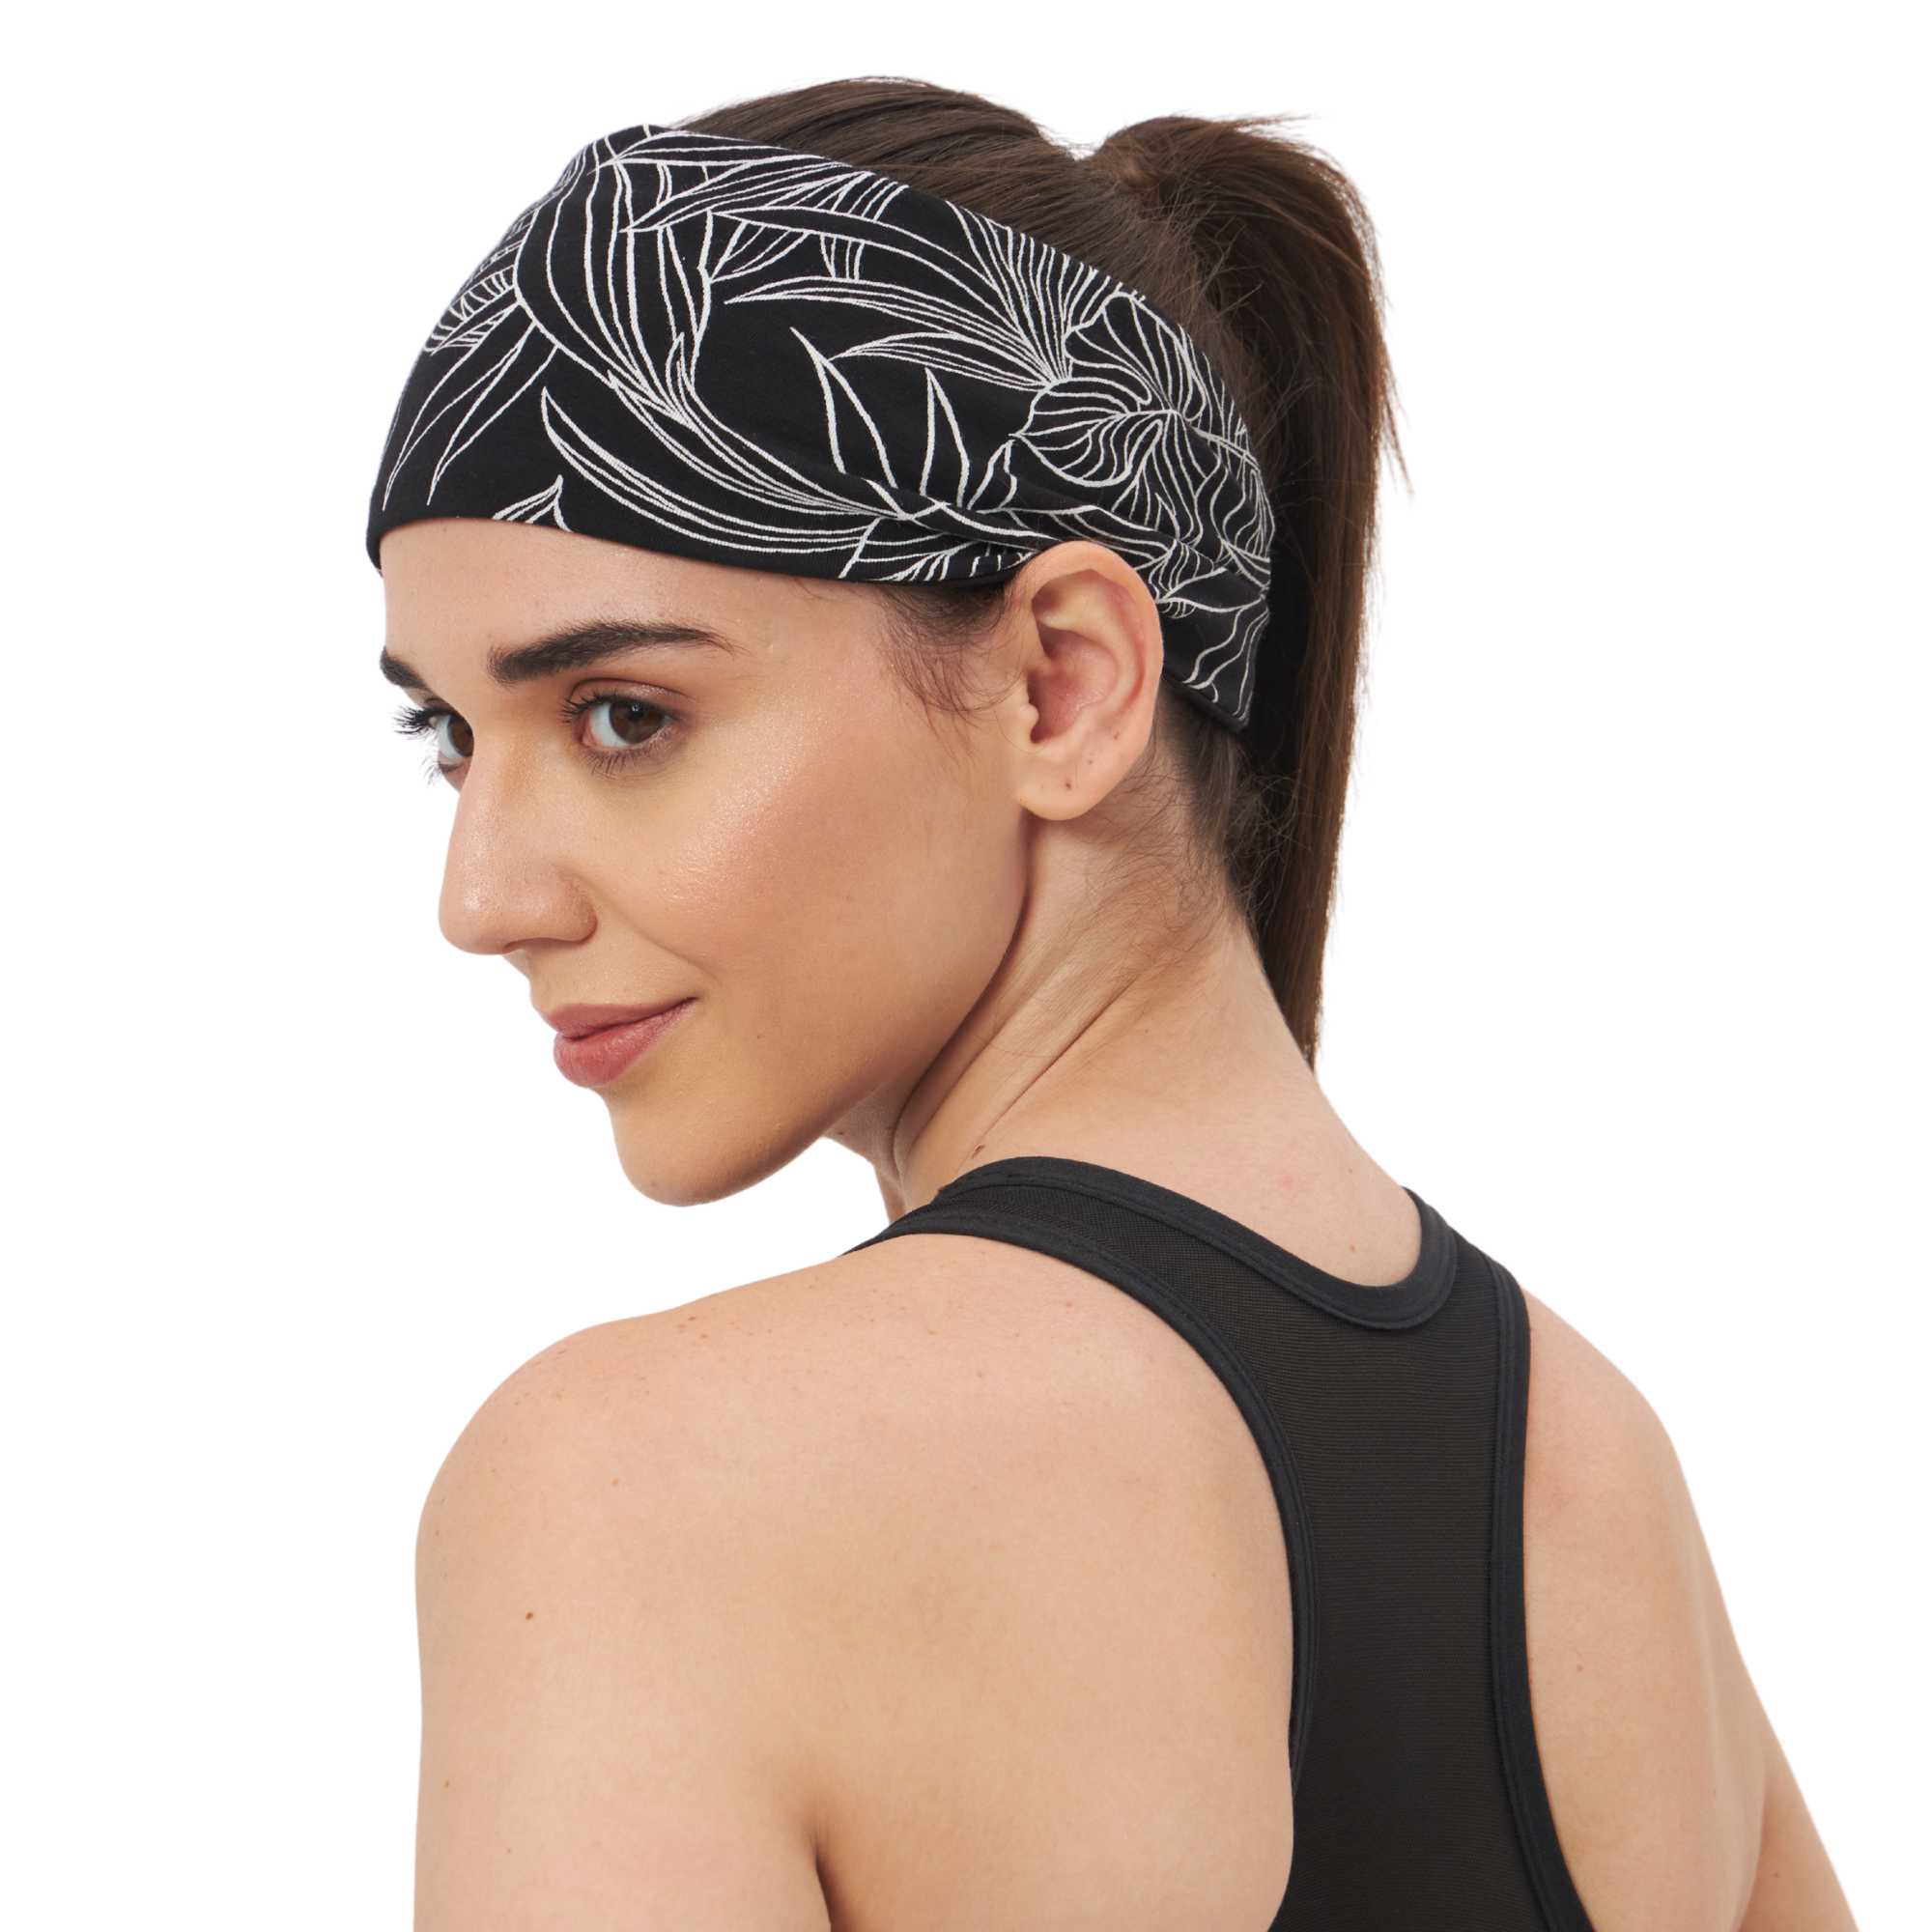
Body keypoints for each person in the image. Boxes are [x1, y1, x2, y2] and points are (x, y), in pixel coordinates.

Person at [371, 80, 1854, 1931]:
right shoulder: (1606, 1485)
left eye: (622, 717)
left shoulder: (638, 1494)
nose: (482, 899)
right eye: (447, 737)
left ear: (1061, 687)